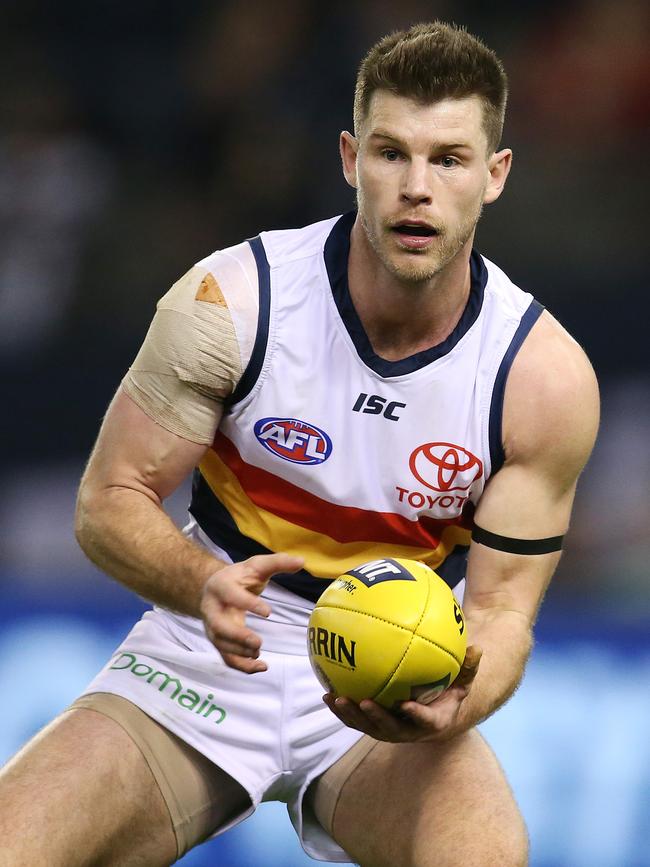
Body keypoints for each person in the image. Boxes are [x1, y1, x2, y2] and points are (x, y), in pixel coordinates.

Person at [0, 21, 599, 867]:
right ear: (351, 158)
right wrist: (201, 582)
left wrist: (456, 701)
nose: (416, 188)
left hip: (391, 674)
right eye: (392, 154)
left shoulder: (541, 378)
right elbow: (107, 501)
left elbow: (502, 613)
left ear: (494, 175)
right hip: (203, 651)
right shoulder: (233, 301)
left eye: (450, 160)